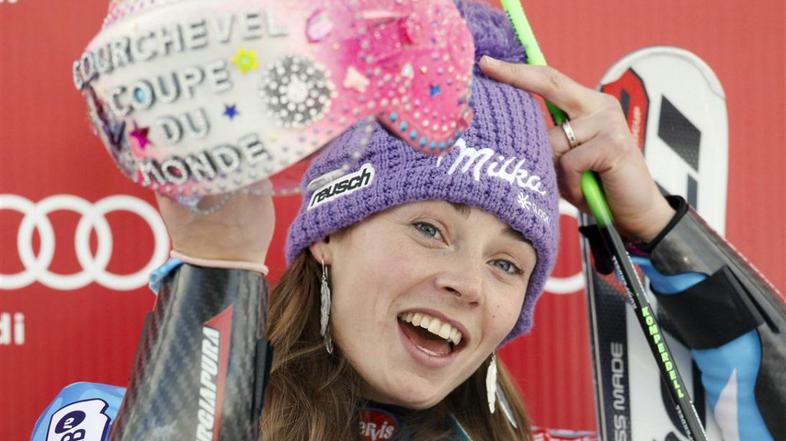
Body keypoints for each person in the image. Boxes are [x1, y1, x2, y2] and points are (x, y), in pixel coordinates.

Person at [32, 1, 786, 440]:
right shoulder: (100, 421)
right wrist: (215, 263)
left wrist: (652, 225)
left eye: (507, 263)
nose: (465, 283)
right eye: (430, 227)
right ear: (329, 230)